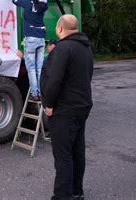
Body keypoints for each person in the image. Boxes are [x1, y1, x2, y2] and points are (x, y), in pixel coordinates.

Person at [41, 14, 93, 200]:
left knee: (63, 156)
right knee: (77, 152)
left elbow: (55, 80)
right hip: (81, 107)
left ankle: (63, 196)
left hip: (64, 110)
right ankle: (76, 191)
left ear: (60, 28)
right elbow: (87, 75)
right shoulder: (85, 48)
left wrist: (48, 104)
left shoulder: (62, 49)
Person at [12, 0, 49, 101]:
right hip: (41, 38)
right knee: (39, 67)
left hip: (31, 38)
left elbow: (15, 0)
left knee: (31, 68)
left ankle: (35, 93)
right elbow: (34, 1)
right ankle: (41, 92)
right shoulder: (44, 4)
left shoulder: (27, 2)